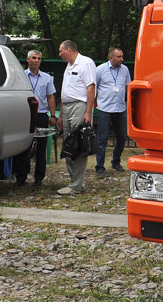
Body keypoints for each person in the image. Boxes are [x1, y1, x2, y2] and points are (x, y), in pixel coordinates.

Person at [55, 39, 96, 196]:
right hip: (67, 107)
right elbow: (66, 91)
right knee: (68, 144)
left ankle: (76, 185)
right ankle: (75, 182)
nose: (60, 54)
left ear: (69, 49)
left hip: (80, 105)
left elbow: (90, 87)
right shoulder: (68, 66)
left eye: (61, 51)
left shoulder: (85, 63)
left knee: (77, 144)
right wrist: (61, 114)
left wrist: (88, 112)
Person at [14, 49, 57, 187]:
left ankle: (39, 178)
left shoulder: (46, 78)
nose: (37, 61)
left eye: (39, 58)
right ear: (27, 60)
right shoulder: (20, 76)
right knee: (23, 145)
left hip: (41, 114)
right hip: (25, 114)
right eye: (34, 58)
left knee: (41, 147)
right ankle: (21, 177)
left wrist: (52, 115)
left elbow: (50, 97)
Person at [94, 47, 131, 175]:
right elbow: (94, 86)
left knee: (122, 137)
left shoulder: (125, 69)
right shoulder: (100, 69)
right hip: (105, 108)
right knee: (102, 138)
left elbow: (127, 86)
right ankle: (99, 166)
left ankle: (116, 161)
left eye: (122, 56)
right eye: (119, 57)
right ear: (111, 57)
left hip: (120, 108)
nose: (122, 59)